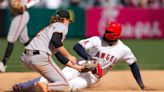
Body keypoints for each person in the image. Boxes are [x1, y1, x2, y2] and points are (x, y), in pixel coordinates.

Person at [12, 22, 146, 91]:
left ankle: (45, 89)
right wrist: (89, 58)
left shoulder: (123, 49)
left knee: (70, 87)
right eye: (106, 30)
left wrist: (141, 85)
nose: (105, 32)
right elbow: (77, 46)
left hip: (92, 76)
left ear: (115, 35)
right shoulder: (96, 39)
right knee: (55, 76)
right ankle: (23, 86)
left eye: (109, 31)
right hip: (79, 66)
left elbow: (133, 64)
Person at [13, 9, 84, 92]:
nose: (69, 23)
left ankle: (22, 88)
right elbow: (56, 40)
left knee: (54, 81)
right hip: (40, 57)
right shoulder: (62, 26)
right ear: (65, 19)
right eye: (69, 21)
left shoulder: (49, 28)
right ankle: (44, 87)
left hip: (25, 57)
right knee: (65, 85)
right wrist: (69, 55)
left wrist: (77, 67)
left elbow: (58, 54)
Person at [0, 0, 40, 72]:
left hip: (21, 15)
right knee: (25, 40)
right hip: (16, 15)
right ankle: (41, 53)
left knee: (11, 39)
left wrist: (26, 6)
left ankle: (3, 64)